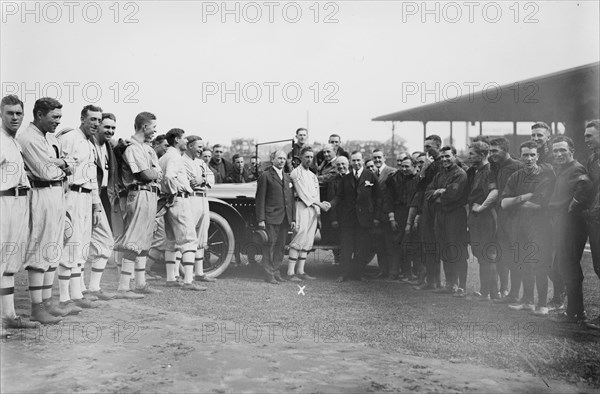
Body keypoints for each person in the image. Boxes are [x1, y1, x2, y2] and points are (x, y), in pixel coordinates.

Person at [18, 97, 73, 322]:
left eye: (60, 117)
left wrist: (60, 164)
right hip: (40, 193)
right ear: (39, 115)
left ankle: (47, 302)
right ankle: (36, 308)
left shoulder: (49, 137)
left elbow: (69, 164)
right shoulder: (28, 138)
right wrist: (61, 165)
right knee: (40, 249)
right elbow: (45, 173)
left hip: (57, 193)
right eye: (54, 117)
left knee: (53, 249)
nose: (58, 122)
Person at [56, 105, 106, 309]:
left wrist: (96, 205)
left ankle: (76, 294)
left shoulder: (90, 143)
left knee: (82, 245)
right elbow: (58, 166)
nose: (95, 123)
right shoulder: (70, 137)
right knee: (71, 244)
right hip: (72, 194)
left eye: (98, 120)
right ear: (82, 119)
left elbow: (93, 177)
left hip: (86, 197)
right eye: (92, 119)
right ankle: (63, 298)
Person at [0, 95, 43, 330]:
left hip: (18, 200)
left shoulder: (13, 141)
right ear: (1, 114)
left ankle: (9, 315)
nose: (15, 117)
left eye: (18, 113)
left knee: (10, 262)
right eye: (9, 113)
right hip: (3, 202)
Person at [503, 141, 555, 315]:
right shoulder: (515, 176)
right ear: (520, 156)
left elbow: (539, 205)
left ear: (538, 156)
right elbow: (503, 203)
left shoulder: (545, 177)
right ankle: (527, 301)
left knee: (538, 263)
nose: (529, 158)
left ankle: (542, 304)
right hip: (518, 224)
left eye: (532, 155)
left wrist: (515, 201)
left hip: (539, 225)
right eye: (525, 155)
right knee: (522, 262)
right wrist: (525, 197)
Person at [113, 112, 163, 298]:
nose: (155, 131)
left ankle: (140, 283)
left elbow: (157, 172)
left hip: (151, 194)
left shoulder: (147, 148)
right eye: (153, 127)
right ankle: (124, 287)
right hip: (139, 192)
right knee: (133, 241)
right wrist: (156, 172)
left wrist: (155, 172)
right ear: (144, 127)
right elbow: (145, 174)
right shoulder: (132, 147)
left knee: (144, 242)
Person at [547, 136, 590, 324]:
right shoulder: (563, 169)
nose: (558, 154)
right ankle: (574, 311)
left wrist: (569, 211)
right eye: (555, 151)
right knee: (561, 267)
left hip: (570, 226)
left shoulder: (576, 168)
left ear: (571, 150)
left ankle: (575, 312)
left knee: (570, 268)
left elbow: (583, 190)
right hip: (562, 224)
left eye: (563, 150)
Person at [158, 128, 204, 291]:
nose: (186, 141)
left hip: (168, 201)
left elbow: (161, 177)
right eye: (184, 138)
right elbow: (169, 176)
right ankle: (188, 281)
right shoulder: (174, 157)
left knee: (171, 240)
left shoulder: (164, 156)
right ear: (177, 140)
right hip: (179, 199)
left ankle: (171, 278)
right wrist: (174, 191)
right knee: (189, 239)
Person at [329, 151, 380, 282]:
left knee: (361, 247)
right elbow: (339, 196)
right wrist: (330, 204)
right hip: (348, 219)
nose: (356, 163)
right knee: (346, 247)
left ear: (362, 161)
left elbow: (378, 198)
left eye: (358, 160)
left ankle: (358, 273)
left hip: (364, 219)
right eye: (353, 161)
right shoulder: (346, 179)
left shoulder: (371, 176)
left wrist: (375, 217)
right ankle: (344, 273)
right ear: (350, 162)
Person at [426, 146, 469, 296]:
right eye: (442, 157)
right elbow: (428, 192)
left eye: (447, 156)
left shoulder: (460, 174)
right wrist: (437, 192)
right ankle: (450, 283)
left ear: (455, 156)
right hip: (441, 215)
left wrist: (440, 194)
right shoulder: (439, 174)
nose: (444, 159)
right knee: (444, 248)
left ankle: (461, 286)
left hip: (455, 215)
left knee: (457, 249)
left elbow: (452, 196)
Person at [488, 137, 524, 303]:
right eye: (490, 151)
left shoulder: (517, 166)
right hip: (501, 216)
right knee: (503, 255)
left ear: (505, 149)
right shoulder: (497, 166)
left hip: (514, 217)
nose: (491, 154)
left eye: (495, 151)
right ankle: (508, 291)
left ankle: (516, 294)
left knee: (516, 255)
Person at [255, 150, 296, 284]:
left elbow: (290, 200)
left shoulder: (288, 177)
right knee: (269, 246)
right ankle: (268, 274)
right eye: (279, 158)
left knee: (281, 246)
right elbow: (260, 199)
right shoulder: (265, 176)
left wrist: (293, 219)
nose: (282, 161)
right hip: (270, 217)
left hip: (285, 218)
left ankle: (276, 271)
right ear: (273, 159)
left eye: (284, 159)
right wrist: (261, 219)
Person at [287, 147, 326, 281]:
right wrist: (319, 204)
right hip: (301, 207)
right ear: (301, 157)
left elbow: (317, 195)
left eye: (311, 157)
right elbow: (303, 194)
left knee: (308, 239)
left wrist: (319, 212)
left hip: (313, 210)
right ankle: (290, 272)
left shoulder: (313, 176)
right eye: (306, 157)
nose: (309, 159)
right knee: (299, 236)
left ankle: (301, 270)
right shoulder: (295, 173)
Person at [466, 141, 499, 301]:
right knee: (480, 255)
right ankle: (486, 291)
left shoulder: (489, 171)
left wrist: (481, 208)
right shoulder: (476, 170)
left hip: (485, 217)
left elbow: (494, 192)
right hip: (476, 218)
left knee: (487, 255)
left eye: (472, 153)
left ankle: (491, 293)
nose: (469, 156)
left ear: (482, 154)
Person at [182, 135, 215, 283]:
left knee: (202, 235)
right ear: (190, 146)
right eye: (199, 146)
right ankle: (177, 273)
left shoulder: (201, 162)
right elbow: (190, 181)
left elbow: (211, 178)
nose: (201, 149)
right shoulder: (183, 160)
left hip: (203, 198)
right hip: (191, 198)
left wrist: (202, 179)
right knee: (188, 234)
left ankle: (199, 272)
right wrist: (200, 179)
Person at [414, 135, 444, 290]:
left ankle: (435, 281)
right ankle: (430, 280)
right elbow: (418, 186)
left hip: (437, 208)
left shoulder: (441, 163)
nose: (426, 150)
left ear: (438, 145)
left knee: (435, 244)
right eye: (425, 146)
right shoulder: (428, 163)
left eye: (429, 147)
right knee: (428, 244)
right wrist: (424, 168)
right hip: (426, 207)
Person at [384, 155, 420, 281]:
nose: (403, 169)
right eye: (402, 166)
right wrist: (392, 218)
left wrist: (416, 219)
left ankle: (412, 273)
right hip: (398, 212)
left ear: (415, 166)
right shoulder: (394, 178)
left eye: (407, 166)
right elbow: (388, 198)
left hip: (414, 213)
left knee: (411, 244)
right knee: (396, 243)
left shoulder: (420, 179)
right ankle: (394, 272)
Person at [582, 120, 600, 330]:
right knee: (597, 266)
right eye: (585, 135)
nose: (586, 139)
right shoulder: (593, 158)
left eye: (590, 135)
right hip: (594, 218)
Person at [371, 149, 396, 279]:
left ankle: (392, 271)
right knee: (379, 244)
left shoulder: (391, 172)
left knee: (389, 244)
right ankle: (383, 270)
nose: (377, 160)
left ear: (384, 157)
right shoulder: (372, 173)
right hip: (376, 215)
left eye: (379, 157)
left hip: (387, 213)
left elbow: (391, 195)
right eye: (374, 158)